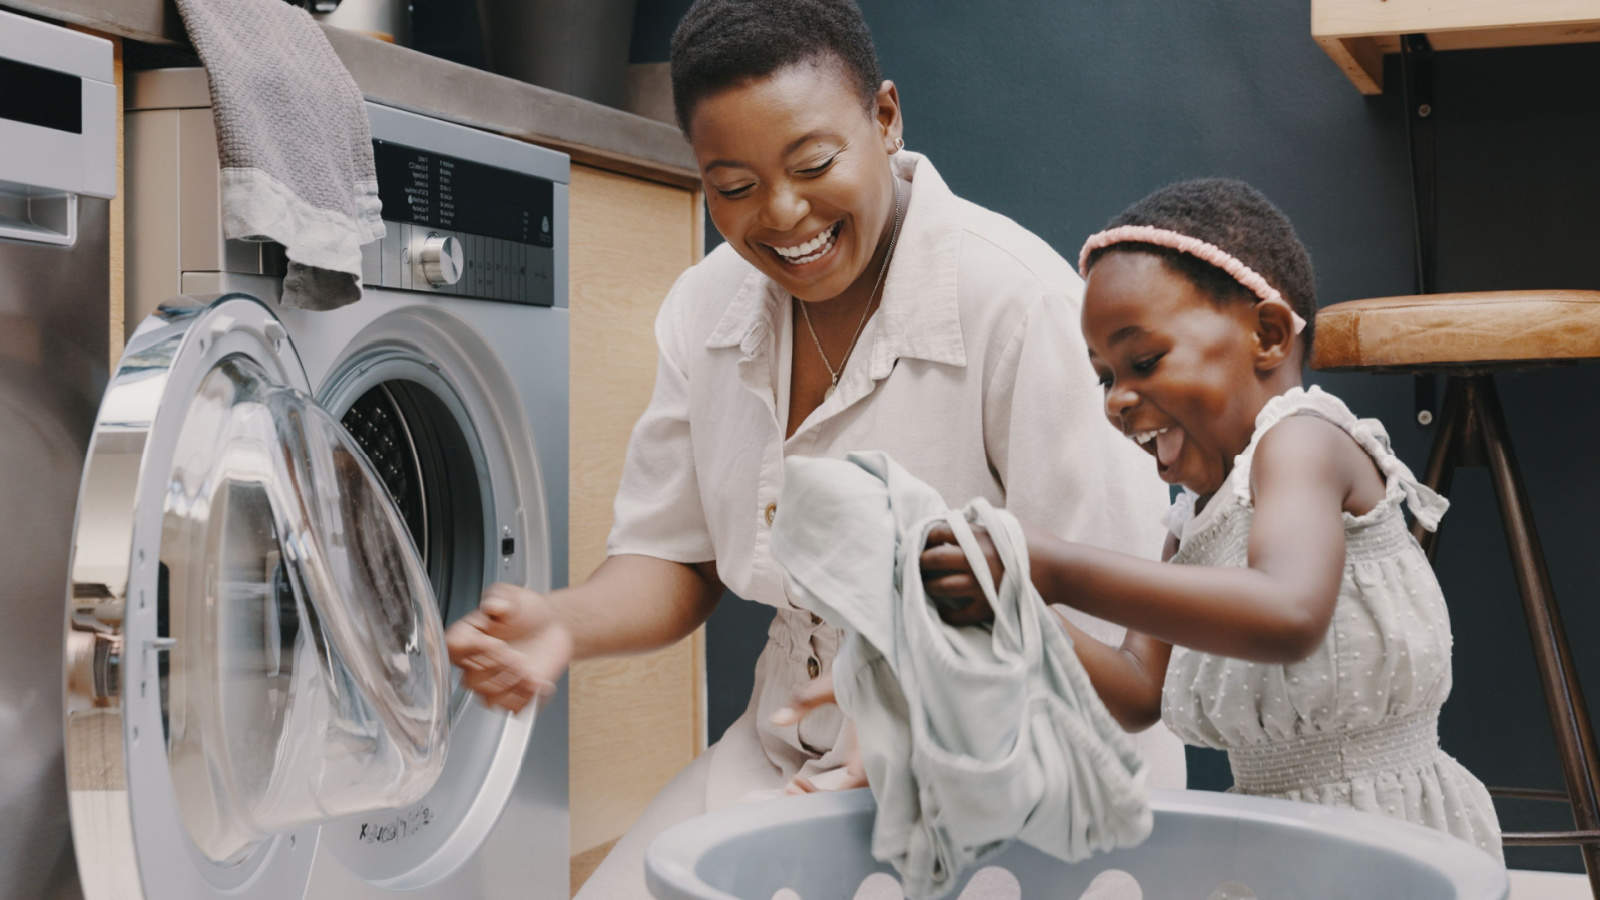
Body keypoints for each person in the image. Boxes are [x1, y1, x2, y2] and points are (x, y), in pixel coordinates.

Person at [446, 1, 1184, 894]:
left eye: (814, 164)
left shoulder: (1021, 306)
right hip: (790, 752)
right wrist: (563, 622)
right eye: (735, 185)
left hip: (1025, 763)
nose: (784, 214)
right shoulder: (703, 307)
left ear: (884, 117)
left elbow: (1117, 632)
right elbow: (676, 557)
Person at [915, 178, 1503, 859]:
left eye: (1143, 361)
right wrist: (1010, 604)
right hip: (1276, 838)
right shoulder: (1189, 523)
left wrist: (1047, 565)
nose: (1116, 401)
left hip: (1387, 833)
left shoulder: (1304, 439)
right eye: (1105, 377)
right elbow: (1138, 691)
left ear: (1268, 335)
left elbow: (1287, 614)